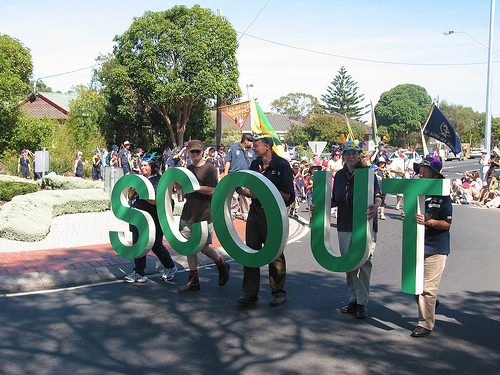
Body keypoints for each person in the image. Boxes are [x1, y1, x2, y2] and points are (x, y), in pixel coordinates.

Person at [235, 133, 294, 307]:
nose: (252, 148)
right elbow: (253, 192)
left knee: (274, 253)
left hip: (273, 213)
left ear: (267, 147)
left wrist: (268, 191)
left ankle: (278, 292)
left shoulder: (282, 165)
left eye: (256, 145)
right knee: (250, 252)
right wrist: (242, 191)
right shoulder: (254, 164)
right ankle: (250, 293)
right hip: (255, 212)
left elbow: (288, 196)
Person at [331, 140, 383, 319]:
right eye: (348, 153)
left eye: (354, 153)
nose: (351, 156)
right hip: (345, 223)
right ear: (343, 156)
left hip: (364, 223)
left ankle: (362, 303)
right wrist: (320, 206)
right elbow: (335, 198)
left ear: (359, 155)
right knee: (349, 263)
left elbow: (378, 195)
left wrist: (376, 206)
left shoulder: (368, 173)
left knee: (363, 264)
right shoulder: (339, 175)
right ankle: (354, 299)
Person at [176, 140, 230, 292]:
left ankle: (221, 264)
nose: (194, 154)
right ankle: (193, 280)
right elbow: (182, 190)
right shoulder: (188, 169)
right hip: (188, 212)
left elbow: (213, 190)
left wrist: (195, 187)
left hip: (204, 213)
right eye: (192, 152)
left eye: (197, 152)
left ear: (203, 152)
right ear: (188, 153)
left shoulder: (209, 169)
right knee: (189, 247)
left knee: (203, 247)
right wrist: (178, 185)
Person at [411, 156, 452, 337]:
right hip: (416, 244)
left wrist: (430, 221)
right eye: (421, 169)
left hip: (436, 247)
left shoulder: (443, 194)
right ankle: (431, 304)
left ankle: (425, 324)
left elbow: (447, 224)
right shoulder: (417, 191)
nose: (422, 172)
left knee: (427, 288)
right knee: (414, 287)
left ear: (435, 173)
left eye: (426, 170)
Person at [124, 156, 178, 283]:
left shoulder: (158, 180)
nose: (142, 167)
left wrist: (141, 191)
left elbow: (158, 201)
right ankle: (139, 272)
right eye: (141, 165)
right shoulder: (139, 179)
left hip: (154, 218)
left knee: (156, 245)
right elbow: (130, 197)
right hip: (138, 217)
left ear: (152, 167)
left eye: (145, 165)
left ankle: (170, 266)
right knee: (138, 244)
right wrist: (132, 190)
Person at [224, 134, 255, 221]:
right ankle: (232, 213)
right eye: (251, 141)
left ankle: (245, 214)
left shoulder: (252, 150)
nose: (252, 143)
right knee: (233, 195)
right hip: (234, 175)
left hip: (247, 176)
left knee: (246, 196)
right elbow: (228, 161)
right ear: (245, 141)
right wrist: (225, 174)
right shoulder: (234, 148)